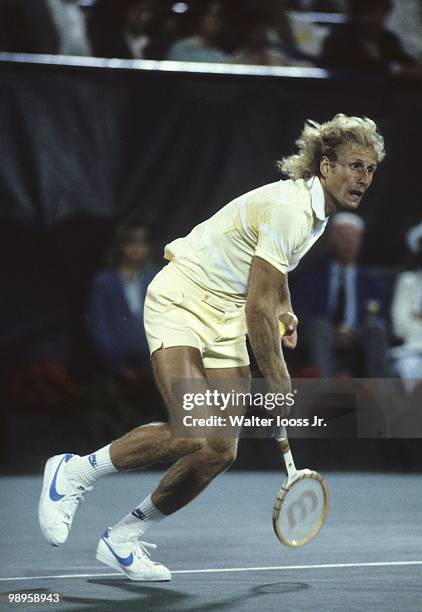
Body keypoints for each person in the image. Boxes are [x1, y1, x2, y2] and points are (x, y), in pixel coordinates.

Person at [38, 114, 385, 581]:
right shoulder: (291, 209)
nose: (364, 178)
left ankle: (122, 537)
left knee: (220, 449)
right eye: (355, 165)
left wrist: (286, 311)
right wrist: (279, 378)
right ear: (325, 167)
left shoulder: (315, 217)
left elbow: (270, 282)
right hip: (182, 296)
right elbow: (257, 307)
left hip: (225, 313)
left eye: (371, 169)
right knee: (194, 429)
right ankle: (74, 472)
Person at [294, 213, 390, 377]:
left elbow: (383, 317)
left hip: (359, 335)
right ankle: (325, 393)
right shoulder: (310, 278)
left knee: (376, 329)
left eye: (353, 238)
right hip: (324, 335)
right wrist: (334, 332)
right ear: (331, 240)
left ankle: (379, 394)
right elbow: (300, 314)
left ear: (360, 243)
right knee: (319, 327)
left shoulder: (373, 283)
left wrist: (352, 332)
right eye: (342, 237)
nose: (348, 243)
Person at [86, 223, 157, 380]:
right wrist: (115, 365)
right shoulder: (104, 281)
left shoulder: (155, 278)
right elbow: (99, 324)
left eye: (142, 242)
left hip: (152, 360)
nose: (137, 248)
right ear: (121, 245)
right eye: (131, 242)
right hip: (117, 362)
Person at [320, 0, 420, 77]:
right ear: (357, 14)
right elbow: (357, 66)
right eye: (370, 12)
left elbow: (402, 59)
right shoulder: (339, 39)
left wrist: (413, 68)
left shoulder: (388, 39)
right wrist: (391, 69)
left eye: (380, 12)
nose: (376, 18)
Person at [390, 221, 422, 394]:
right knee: (408, 370)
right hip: (410, 352)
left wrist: (416, 320)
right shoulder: (406, 281)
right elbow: (399, 327)